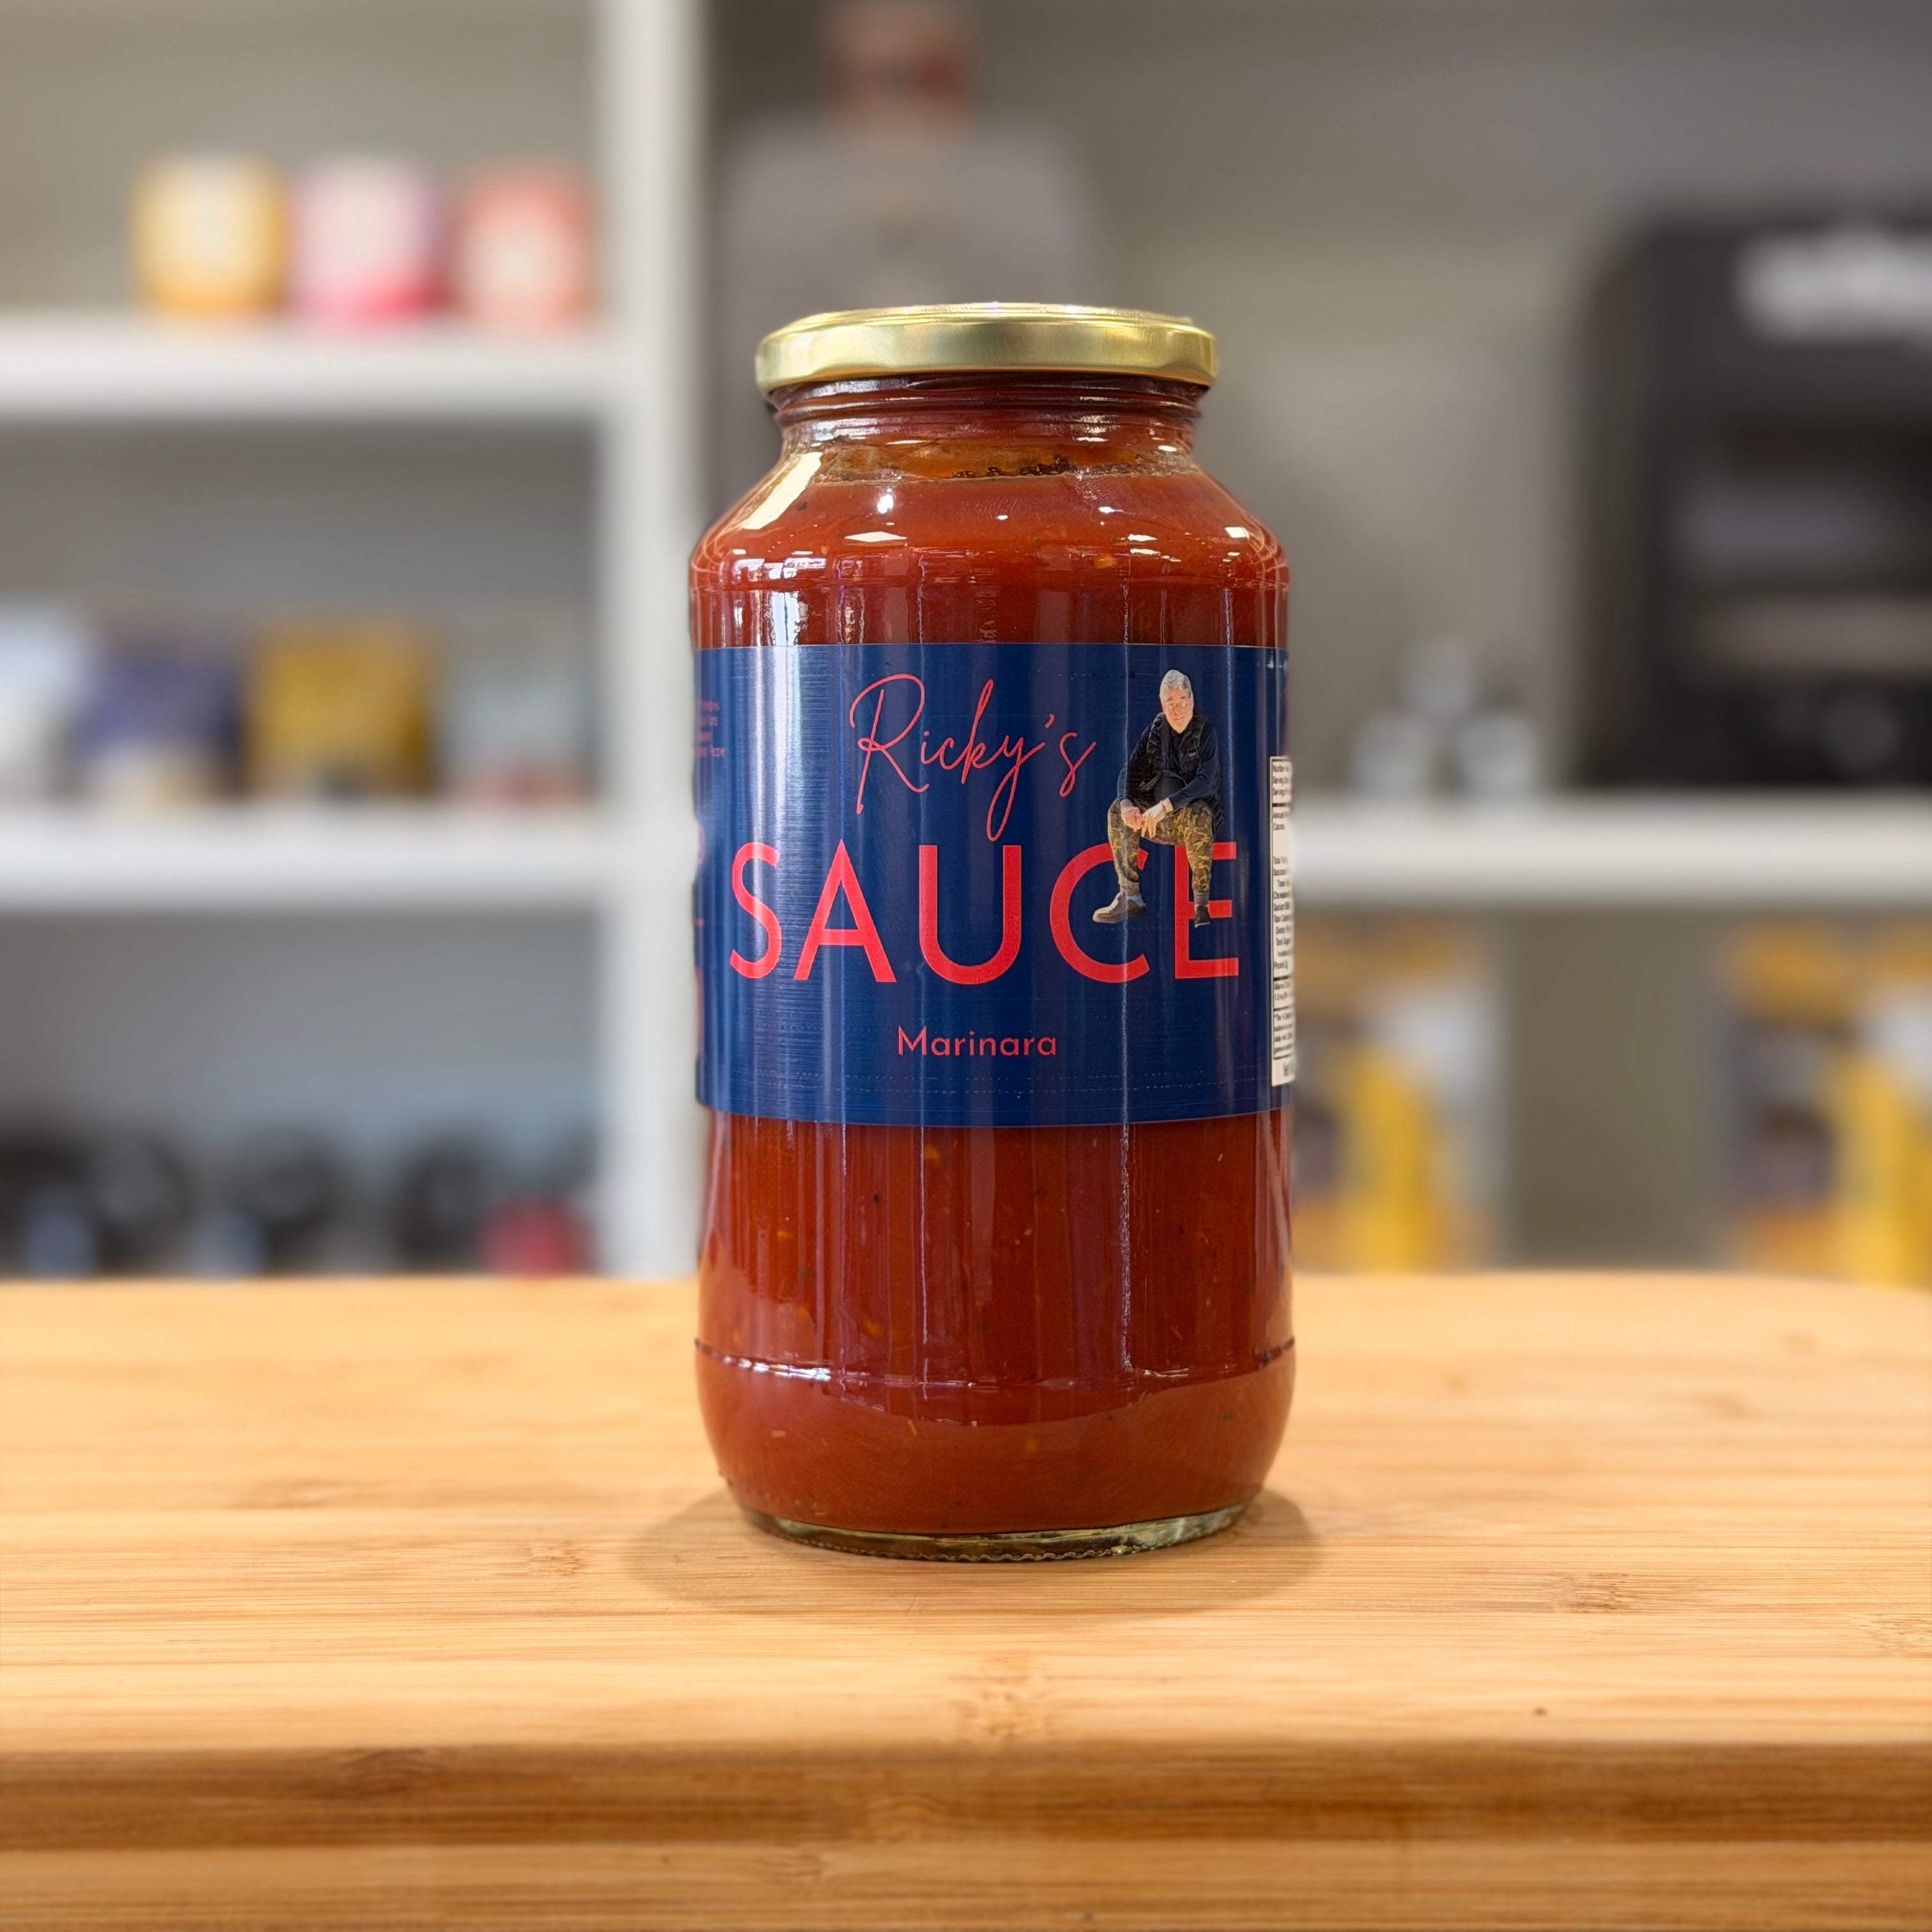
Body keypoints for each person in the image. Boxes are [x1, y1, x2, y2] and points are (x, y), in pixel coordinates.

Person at [1096, 670, 1222, 928]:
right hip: (1155, 818)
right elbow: (1129, 769)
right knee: (1116, 811)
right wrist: (1126, 803)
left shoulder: (1205, 729)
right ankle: (1130, 896)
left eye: (1183, 701)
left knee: (1199, 813)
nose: (1178, 710)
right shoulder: (1156, 727)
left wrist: (1165, 807)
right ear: (1163, 705)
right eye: (1170, 704)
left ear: (1192, 699)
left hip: (1191, 820)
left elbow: (1206, 782)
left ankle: (1201, 906)